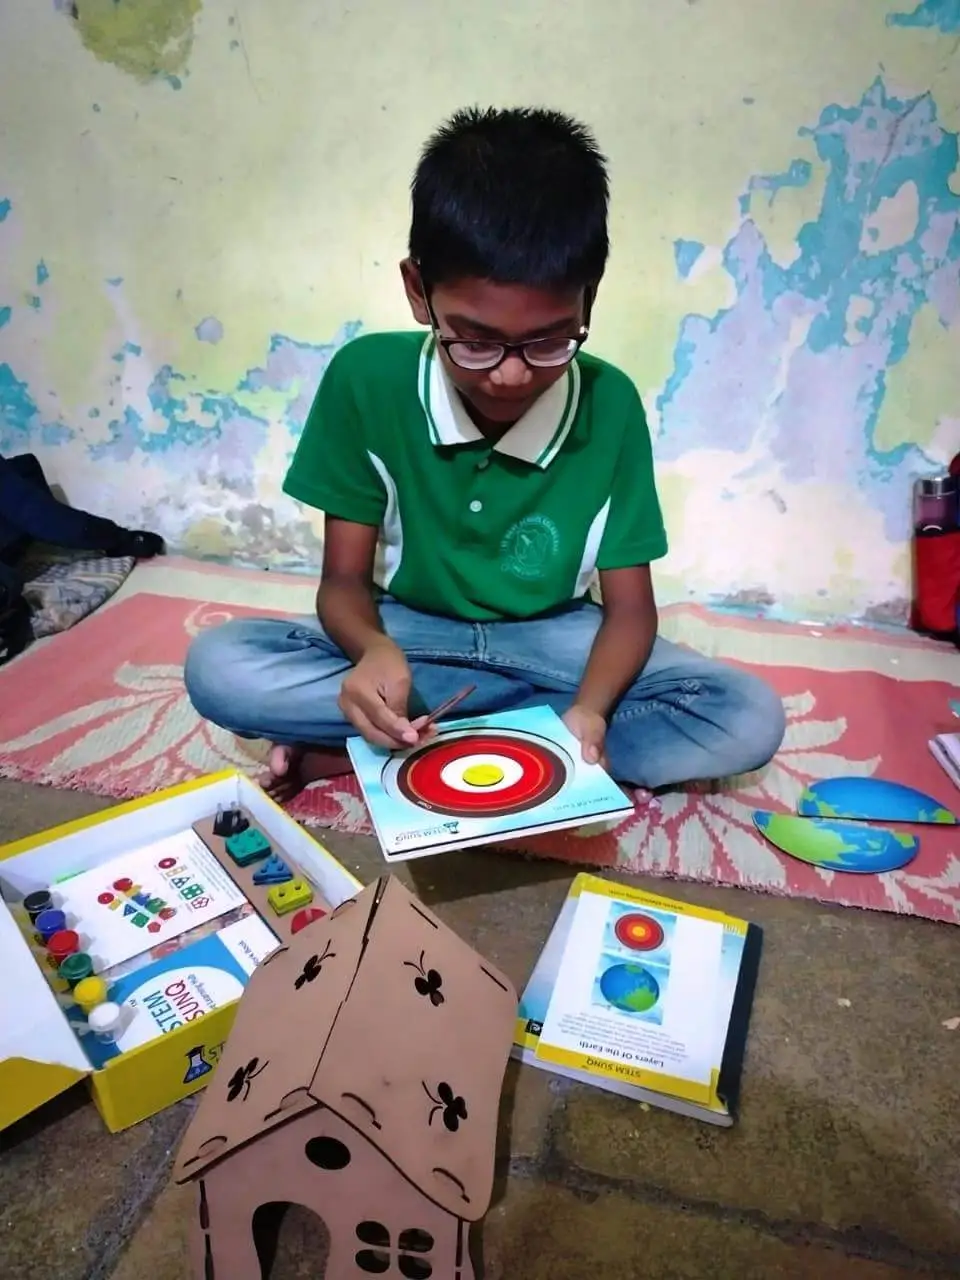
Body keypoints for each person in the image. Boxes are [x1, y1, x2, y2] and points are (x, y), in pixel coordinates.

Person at [184, 107, 786, 802]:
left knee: (745, 716)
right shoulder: (366, 379)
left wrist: (590, 709)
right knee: (220, 667)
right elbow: (344, 583)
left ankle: (393, 750)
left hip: (556, 642)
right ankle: (526, 744)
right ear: (418, 292)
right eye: (472, 341)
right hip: (408, 634)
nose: (509, 375)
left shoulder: (609, 403)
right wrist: (374, 653)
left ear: (588, 298)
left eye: (550, 342)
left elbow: (629, 612)